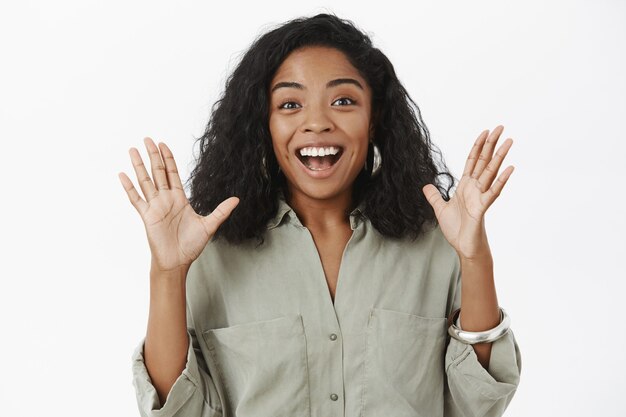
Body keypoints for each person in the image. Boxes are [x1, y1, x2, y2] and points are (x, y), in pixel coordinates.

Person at [119, 13, 521, 417]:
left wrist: (474, 259)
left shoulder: (436, 243)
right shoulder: (212, 252)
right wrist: (167, 273)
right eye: (290, 103)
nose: (316, 123)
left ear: (374, 117)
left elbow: (478, 403)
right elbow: (178, 410)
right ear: (265, 123)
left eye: (343, 101)